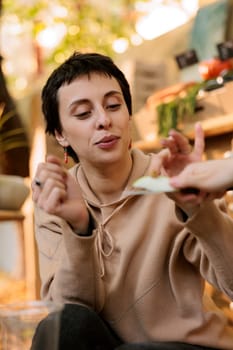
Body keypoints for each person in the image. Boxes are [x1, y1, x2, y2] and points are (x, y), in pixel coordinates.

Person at [31, 52, 233, 350]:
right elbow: (66, 319)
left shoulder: (171, 177)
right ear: (60, 134)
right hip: (115, 345)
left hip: (189, 345)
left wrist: (195, 206)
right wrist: (80, 227)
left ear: (128, 114)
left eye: (114, 106)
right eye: (84, 114)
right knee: (62, 325)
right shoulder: (57, 198)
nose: (104, 120)